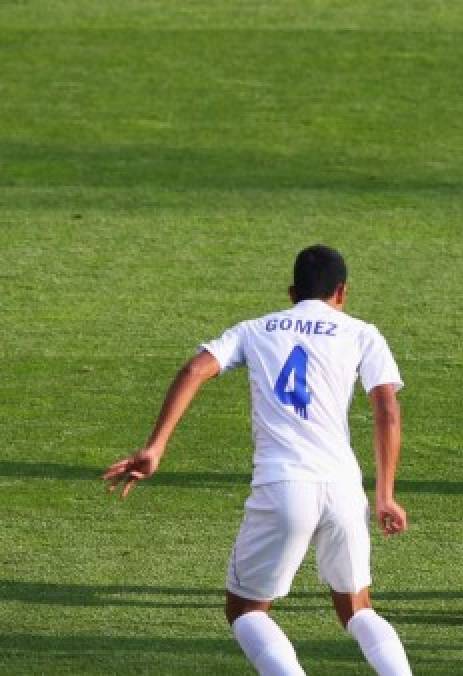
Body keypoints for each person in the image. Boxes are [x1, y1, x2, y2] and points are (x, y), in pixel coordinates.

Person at [103, 245, 413, 676]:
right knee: (357, 608)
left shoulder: (255, 329)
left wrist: (155, 447)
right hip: (343, 488)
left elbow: (194, 370)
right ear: (342, 292)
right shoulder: (362, 332)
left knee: (247, 610)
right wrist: (385, 495)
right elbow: (387, 410)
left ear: (291, 291)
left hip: (283, 486)